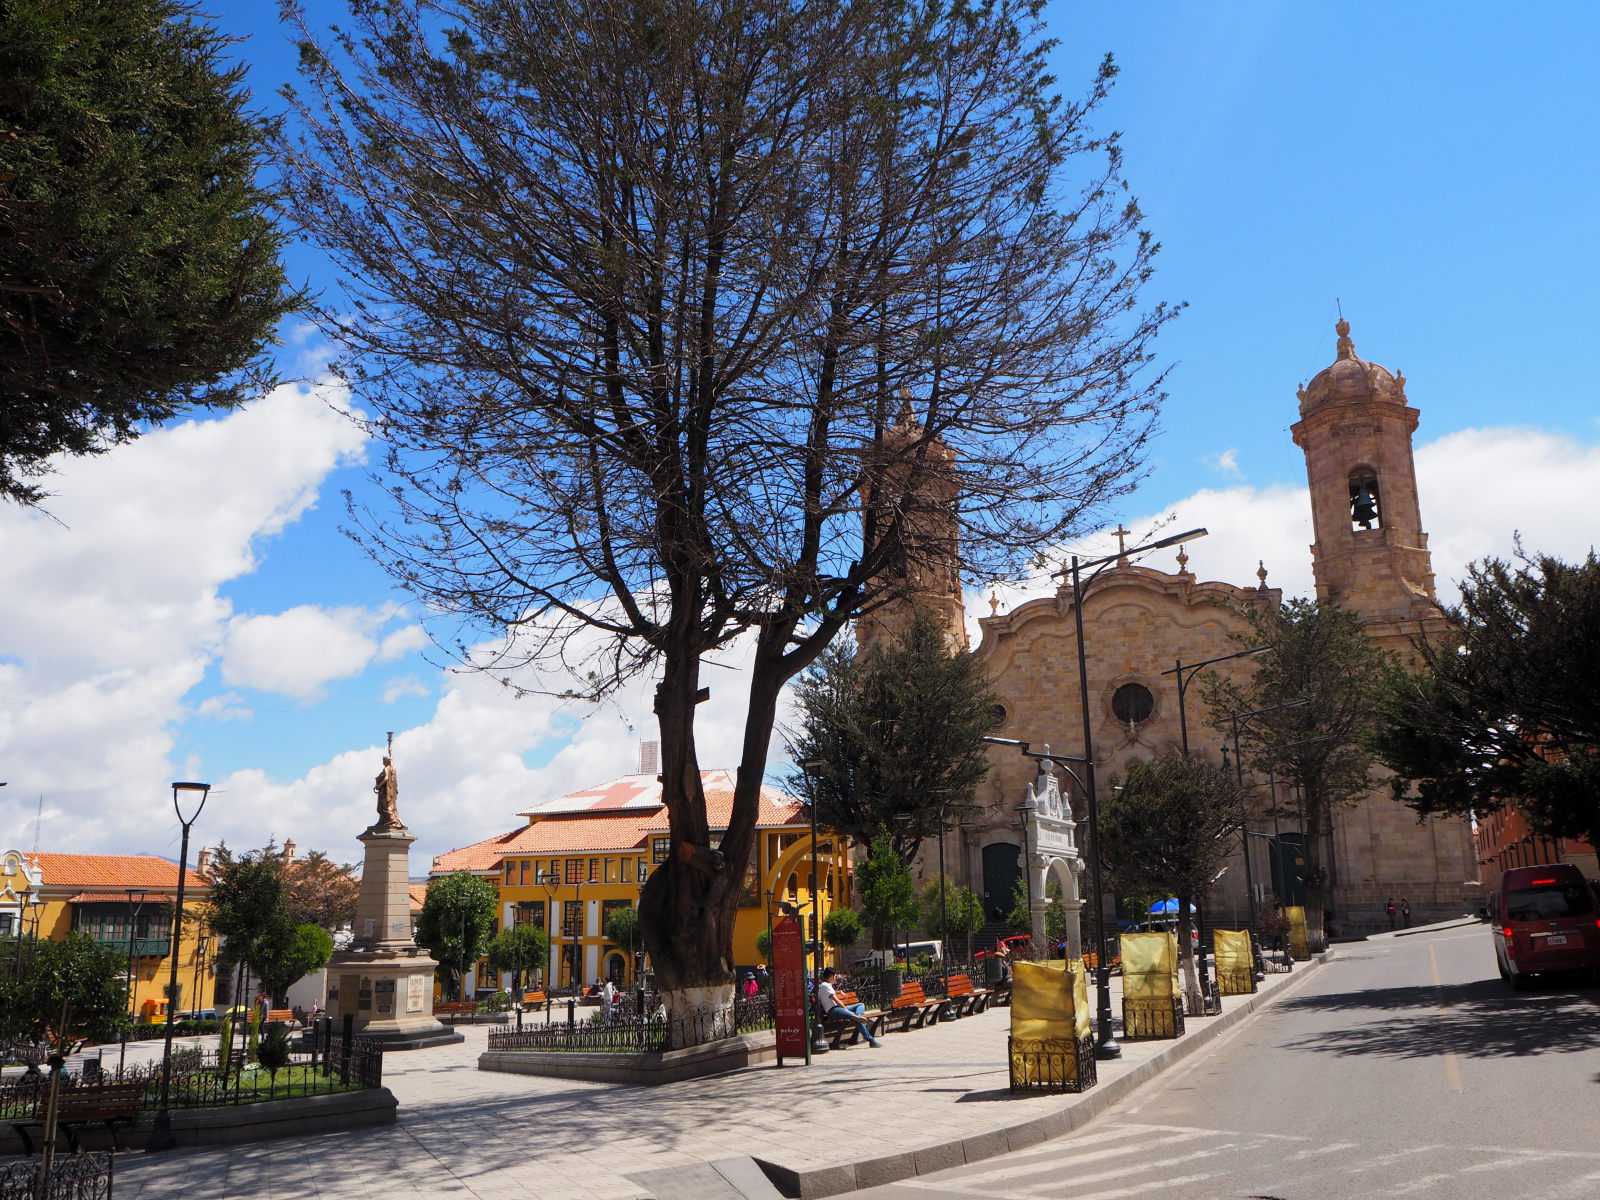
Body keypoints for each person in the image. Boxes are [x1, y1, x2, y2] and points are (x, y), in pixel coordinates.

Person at [816, 967, 881, 1047]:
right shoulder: (824, 986)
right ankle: (870, 1039)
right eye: (835, 976)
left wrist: (839, 991)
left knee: (861, 1005)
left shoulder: (827, 985)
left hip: (838, 1009)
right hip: (833, 1011)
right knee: (855, 1018)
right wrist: (845, 1009)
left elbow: (830, 993)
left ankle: (857, 1015)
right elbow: (837, 1000)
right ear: (831, 976)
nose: (836, 977)